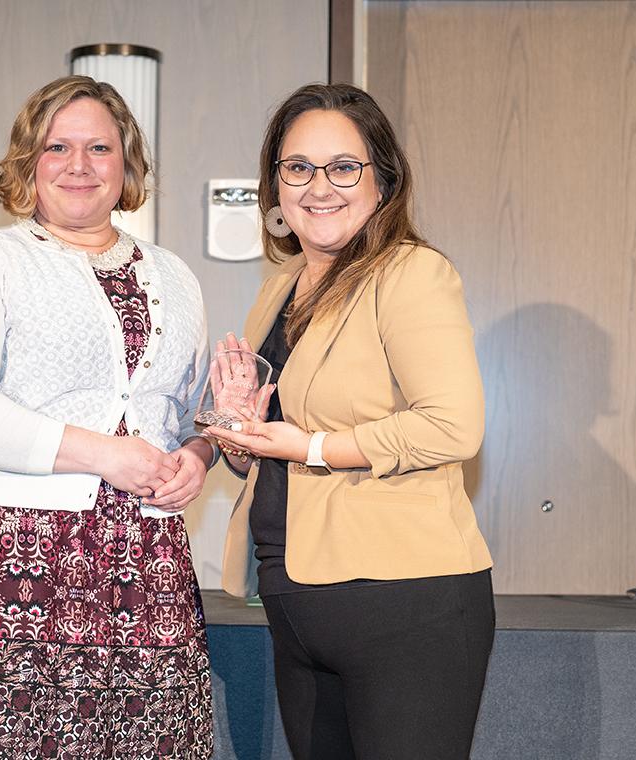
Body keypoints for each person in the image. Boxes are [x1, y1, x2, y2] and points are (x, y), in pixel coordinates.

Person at [0, 75, 216, 759]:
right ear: (28, 164)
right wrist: (102, 454)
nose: (79, 166)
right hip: (10, 553)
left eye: (100, 147)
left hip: (146, 556)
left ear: (126, 163)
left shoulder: (175, 275)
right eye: (57, 148)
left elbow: (191, 414)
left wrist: (197, 457)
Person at [207, 83, 495, 759]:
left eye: (344, 167)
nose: (319, 186)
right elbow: (272, 441)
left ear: (383, 180)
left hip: (405, 603)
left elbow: (454, 426)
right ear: (275, 187)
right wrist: (241, 435)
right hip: (294, 597)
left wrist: (311, 446)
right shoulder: (278, 287)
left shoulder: (411, 275)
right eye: (297, 167)